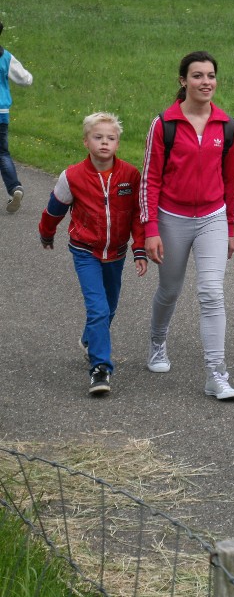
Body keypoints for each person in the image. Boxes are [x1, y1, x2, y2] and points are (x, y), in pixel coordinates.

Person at [139, 51, 234, 401]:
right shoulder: (164, 124)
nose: (205, 82)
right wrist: (151, 229)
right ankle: (157, 341)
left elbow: (232, 181)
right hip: (172, 218)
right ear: (183, 81)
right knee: (170, 290)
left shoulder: (227, 126)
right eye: (197, 76)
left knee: (211, 292)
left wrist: (230, 228)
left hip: (213, 218)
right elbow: (149, 179)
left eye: (210, 76)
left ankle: (216, 374)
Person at [38, 112, 147, 395]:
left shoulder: (130, 175)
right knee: (98, 309)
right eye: (98, 137)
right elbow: (54, 209)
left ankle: (89, 339)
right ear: (86, 141)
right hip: (85, 251)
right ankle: (100, 368)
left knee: (109, 307)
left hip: (116, 253)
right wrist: (46, 232)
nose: (104, 143)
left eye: (110, 138)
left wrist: (139, 249)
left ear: (118, 143)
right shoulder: (72, 176)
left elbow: (137, 215)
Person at [0, 21, 34, 213]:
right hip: (1, 112)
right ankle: (15, 188)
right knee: (2, 153)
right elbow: (25, 79)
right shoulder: (5, 56)